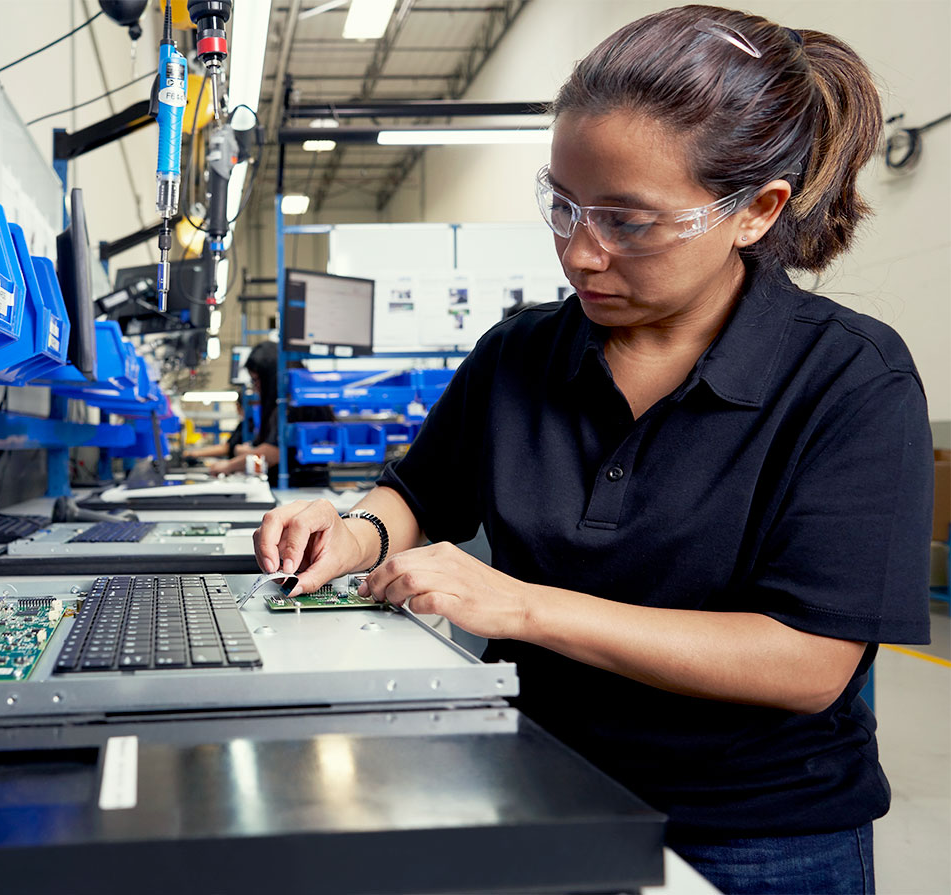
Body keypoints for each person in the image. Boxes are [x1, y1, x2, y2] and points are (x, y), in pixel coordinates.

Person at [252, 7, 932, 894]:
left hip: (755, 834)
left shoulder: (849, 378)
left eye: (628, 221)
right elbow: (418, 494)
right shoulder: (521, 353)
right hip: (537, 788)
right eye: (563, 205)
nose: (580, 252)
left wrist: (524, 607)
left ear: (755, 212)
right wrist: (351, 532)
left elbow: (807, 663)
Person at [207, 342, 334, 487]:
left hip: (301, 487)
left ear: (270, 375)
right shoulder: (297, 398)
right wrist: (251, 452)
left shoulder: (295, 402)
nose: (256, 387)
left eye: (256, 380)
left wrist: (228, 465)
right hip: (299, 487)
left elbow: (272, 453)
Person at [183, 387, 247, 462]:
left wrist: (194, 453)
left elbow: (227, 448)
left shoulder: (247, 426)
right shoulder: (244, 425)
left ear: (238, 406)